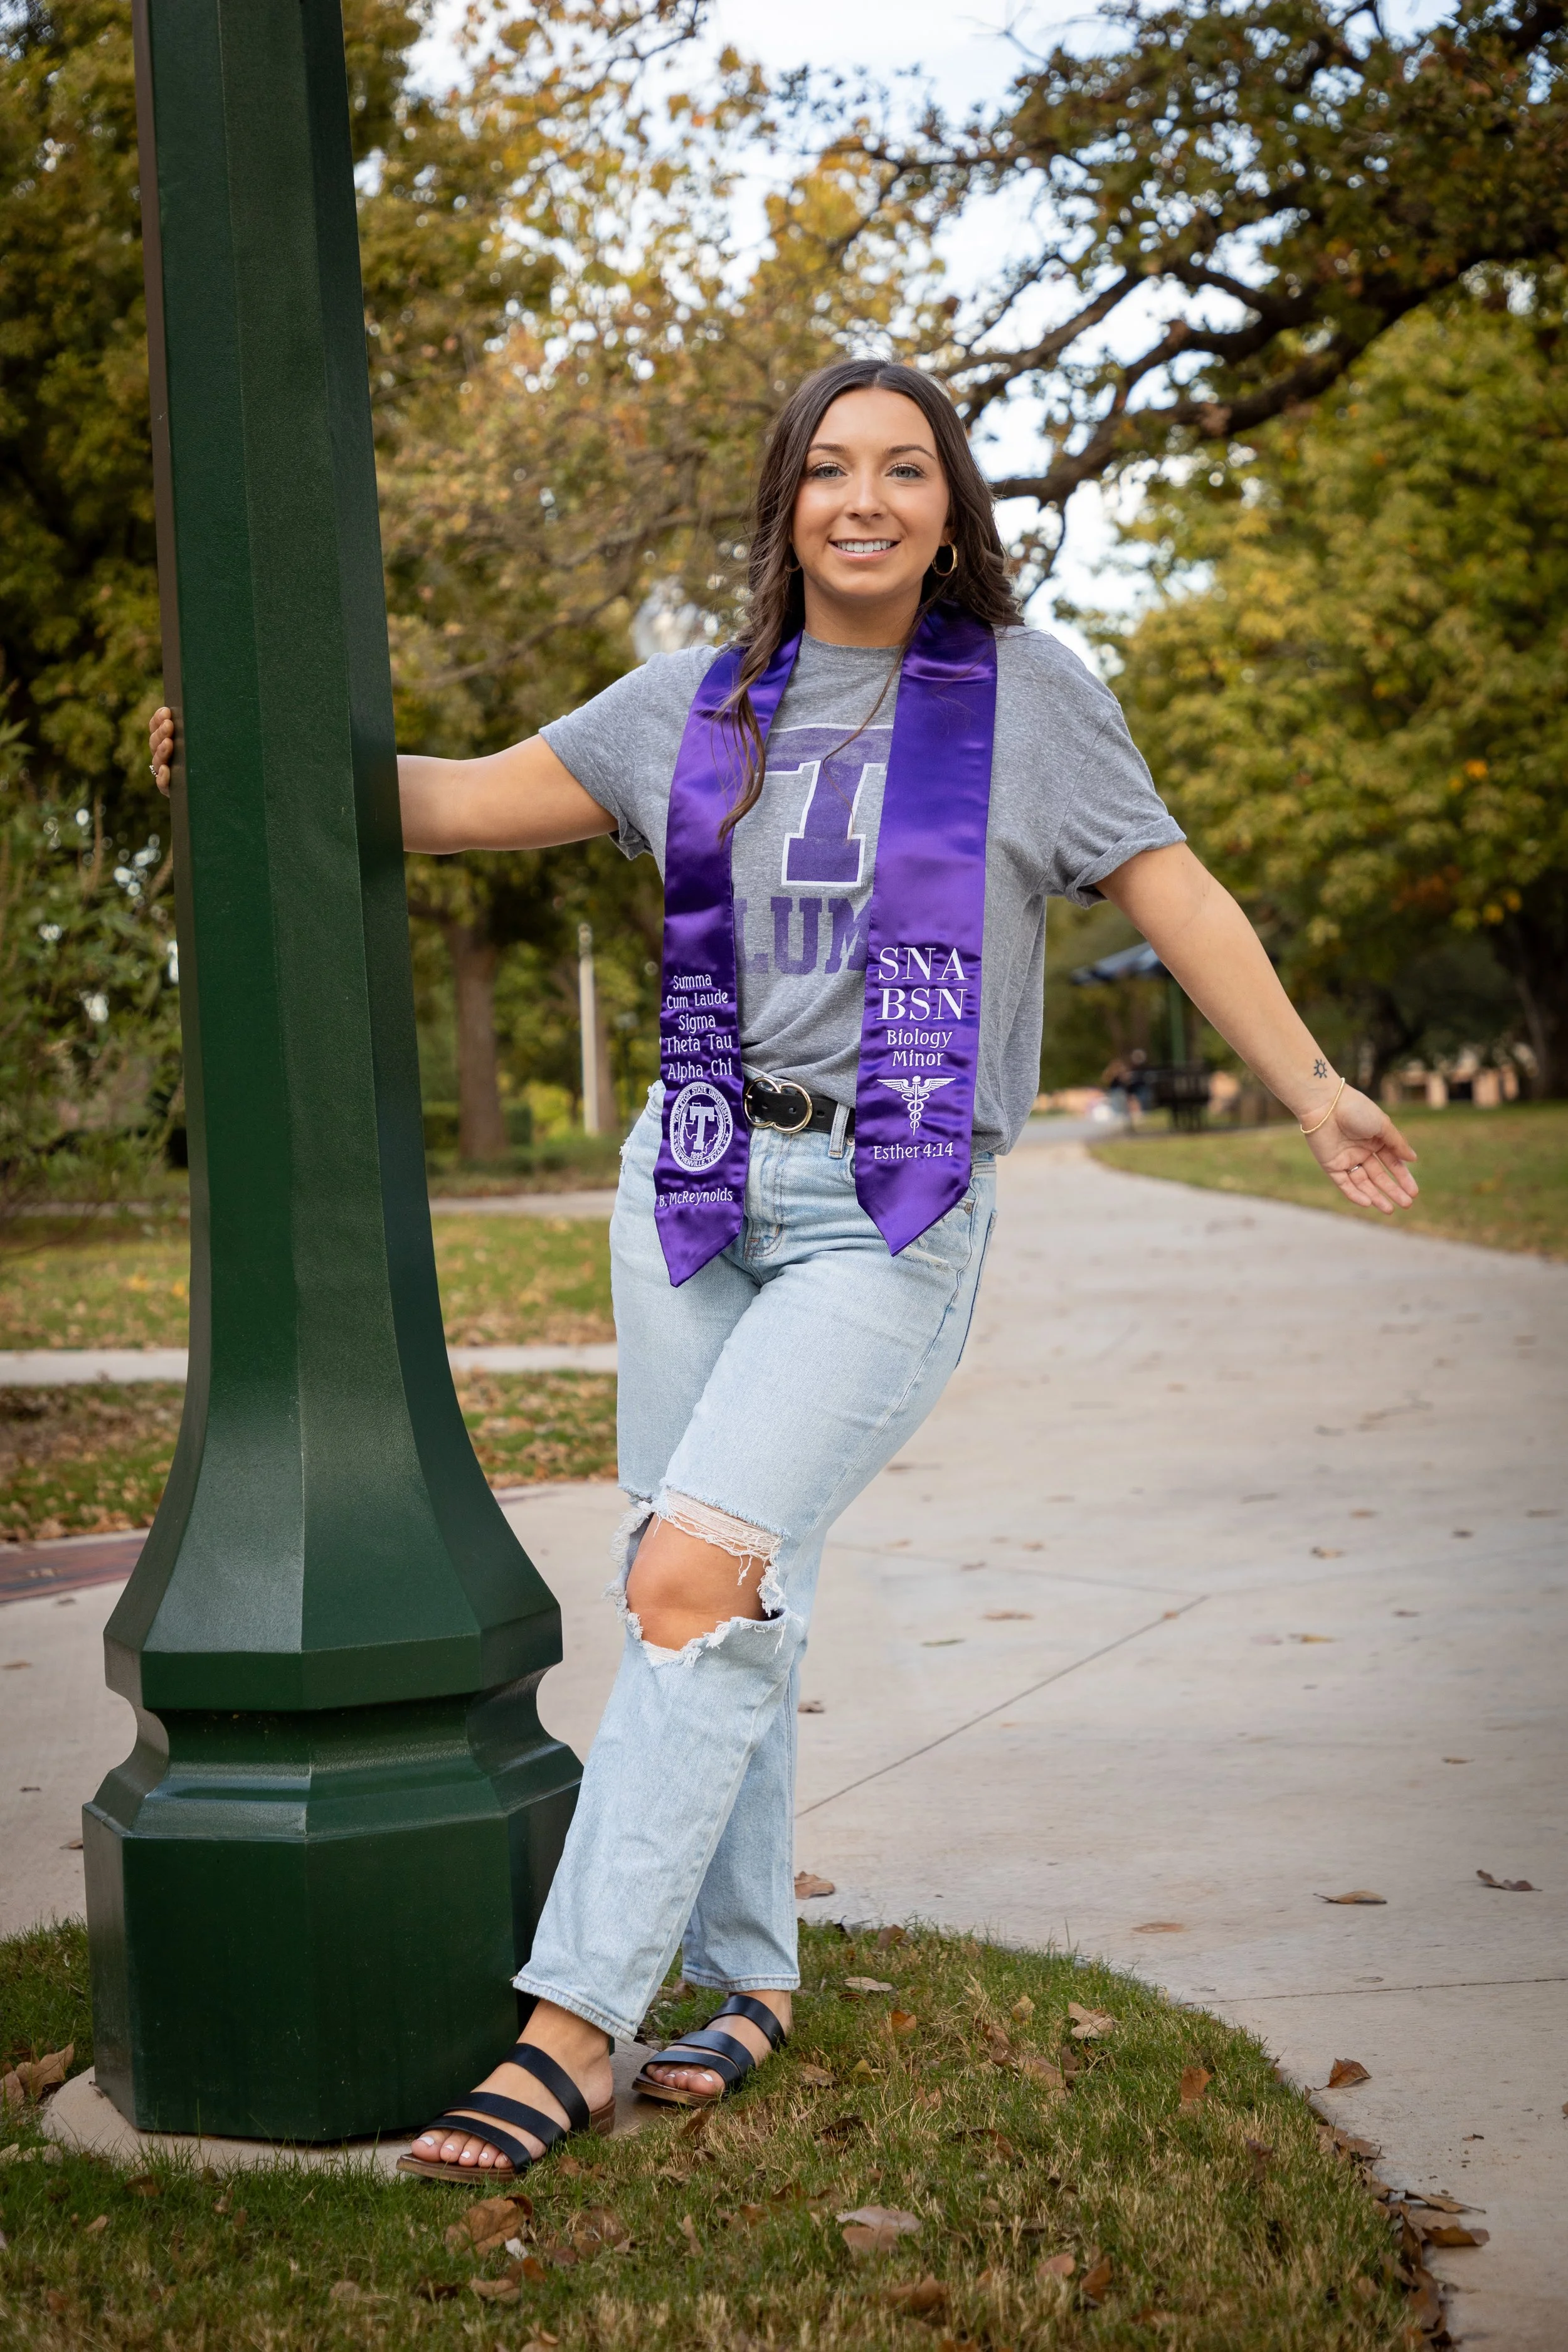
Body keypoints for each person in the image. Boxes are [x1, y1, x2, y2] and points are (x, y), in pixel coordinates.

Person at [149, 356, 1417, 2180]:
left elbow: (1174, 888)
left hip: (887, 1211)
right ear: (786, 503)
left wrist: (1310, 1086)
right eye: (830, 468)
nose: (866, 500)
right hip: (690, 1183)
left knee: (689, 1577)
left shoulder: (1032, 700)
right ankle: (744, 1976)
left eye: (906, 470)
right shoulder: (691, 701)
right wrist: (258, 750)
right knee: (722, 1595)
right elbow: (440, 797)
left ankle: (571, 2023)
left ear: (949, 507)